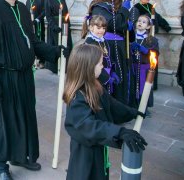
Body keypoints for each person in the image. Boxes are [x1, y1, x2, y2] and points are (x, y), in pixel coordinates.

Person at [0, 0, 69, 180]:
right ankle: (0, 166)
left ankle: (19, 156)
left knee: (24, 118)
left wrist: (55, 51)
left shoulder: (23, 9)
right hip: (3, 78)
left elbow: (34, 42)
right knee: (3, 121)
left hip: (25, 77)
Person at [63, 44, 147, 180]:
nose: (102, 66)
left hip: (98, 149)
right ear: (88, 67)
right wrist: (119, 132)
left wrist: (132, 112)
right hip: (85, 156)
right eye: (100, 63)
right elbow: (88, 126)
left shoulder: (95, 85)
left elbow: (112, 105)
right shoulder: (77, 97)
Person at [87, 0, 135, 107]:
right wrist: (124, 10)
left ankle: (122, 105)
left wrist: (128, 26)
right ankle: (113, 107)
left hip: (118, 46)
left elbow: (120, 24)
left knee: (121, 76)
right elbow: (112, 24)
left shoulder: (112, 7)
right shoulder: (100, 6)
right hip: (109, 47)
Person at [82, 15, 120, 94]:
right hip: (96, 77)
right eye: (98, 28)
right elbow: (92, 65)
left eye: (103, 28)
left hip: (107, 74)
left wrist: (112, 72)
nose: (101, 31)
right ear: (91, 27)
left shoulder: (103, 40)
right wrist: (106, 77)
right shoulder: (90, 43)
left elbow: (108, 56)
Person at [130, 15, 159, 110]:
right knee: (133, 86)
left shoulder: (151, 39)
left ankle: (144, 107)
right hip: (133, 66)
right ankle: (133, 105)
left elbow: (155, 53)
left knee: (144, 88)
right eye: (139, 21)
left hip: (144, 68)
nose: (140, 23)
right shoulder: (131, 37)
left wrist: (145, 50)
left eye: (143, 22)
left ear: (148, 26)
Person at [44, 0, 73, 73]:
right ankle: (55, 68)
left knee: (66, 44)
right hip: (54, 26)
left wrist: (68, 23)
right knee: (55, 45)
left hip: (64, 25)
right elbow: (48, 16)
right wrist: (54, 26)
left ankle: (65, 66)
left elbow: (66, 12)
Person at [25, 0, 45, 68]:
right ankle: (33, 60)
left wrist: (37, 20)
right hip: (31, 26)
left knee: (40, 42)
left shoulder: (41, 0)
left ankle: (41, 61)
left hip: (39, 25)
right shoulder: (28, 1)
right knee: (32, 42)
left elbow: (44, 12)